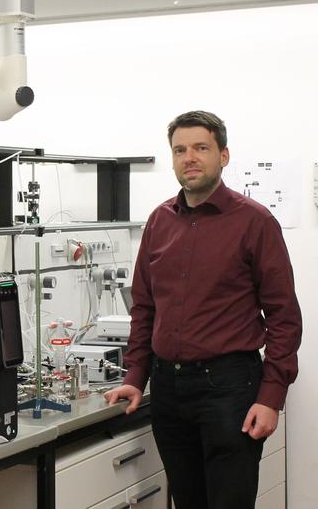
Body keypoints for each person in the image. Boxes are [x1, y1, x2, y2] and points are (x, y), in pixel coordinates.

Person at [104, 110, 302, 509]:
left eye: (200, 148)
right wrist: (135, 374)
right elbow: (144, 307)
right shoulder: (159, 221)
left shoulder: (254, 221)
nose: (189, 158)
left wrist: (271, 396)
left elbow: (283, 316)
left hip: (229, 388)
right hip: (168, 390)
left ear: (223, 156)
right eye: (180, 150)